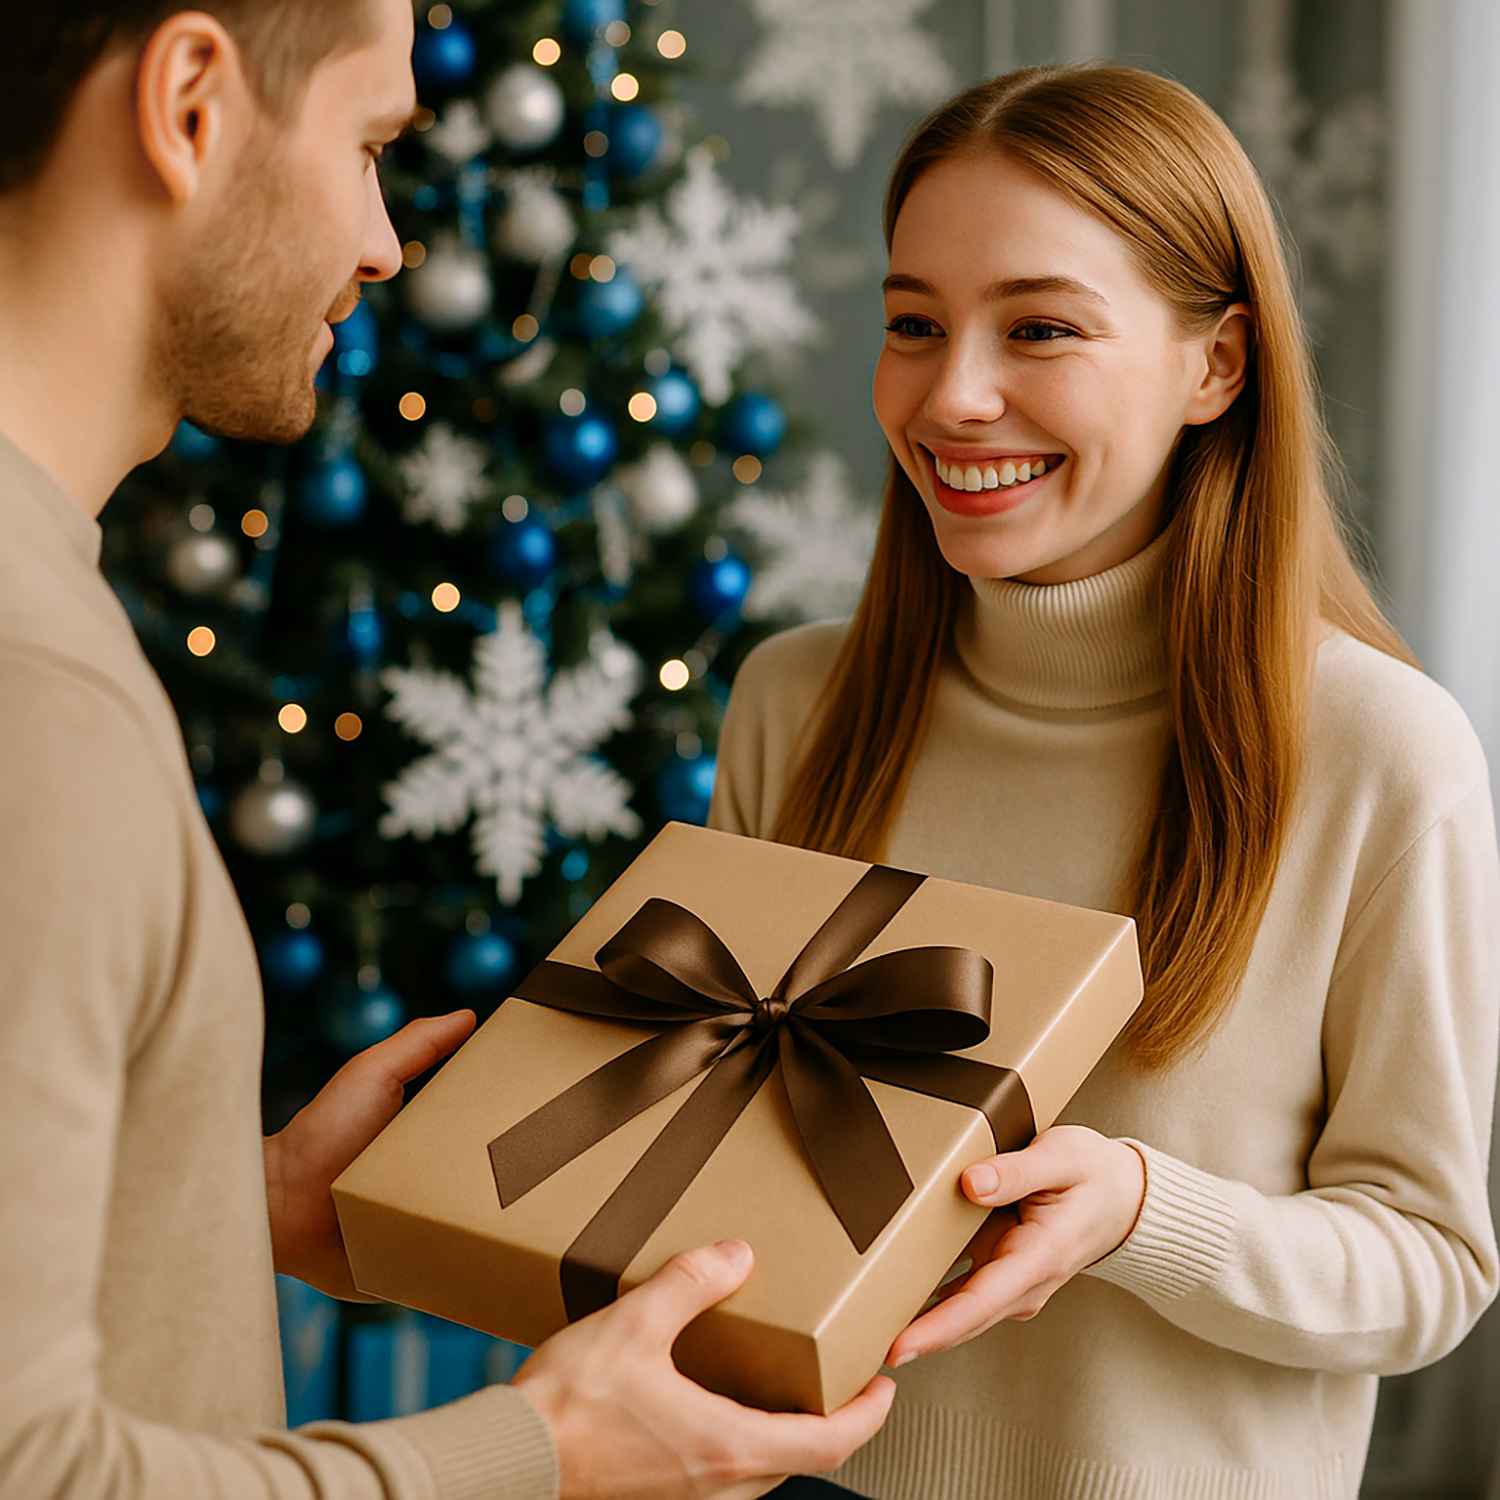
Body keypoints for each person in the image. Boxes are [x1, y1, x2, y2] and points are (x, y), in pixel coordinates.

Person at [0, 3, 895, 1498]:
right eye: (366, 149)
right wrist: (545, 1453)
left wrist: (231, 1204)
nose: (387, 244)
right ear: (192, 102)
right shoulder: (39, 697)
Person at [715, 64, 1500, 1500]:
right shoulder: (796, 703)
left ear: (1218, 365)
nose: (952, 396)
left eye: (1042, 327)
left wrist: (1145, 1212)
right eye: (911, 324)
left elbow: (1432, 1267)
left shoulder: (1387, 757)